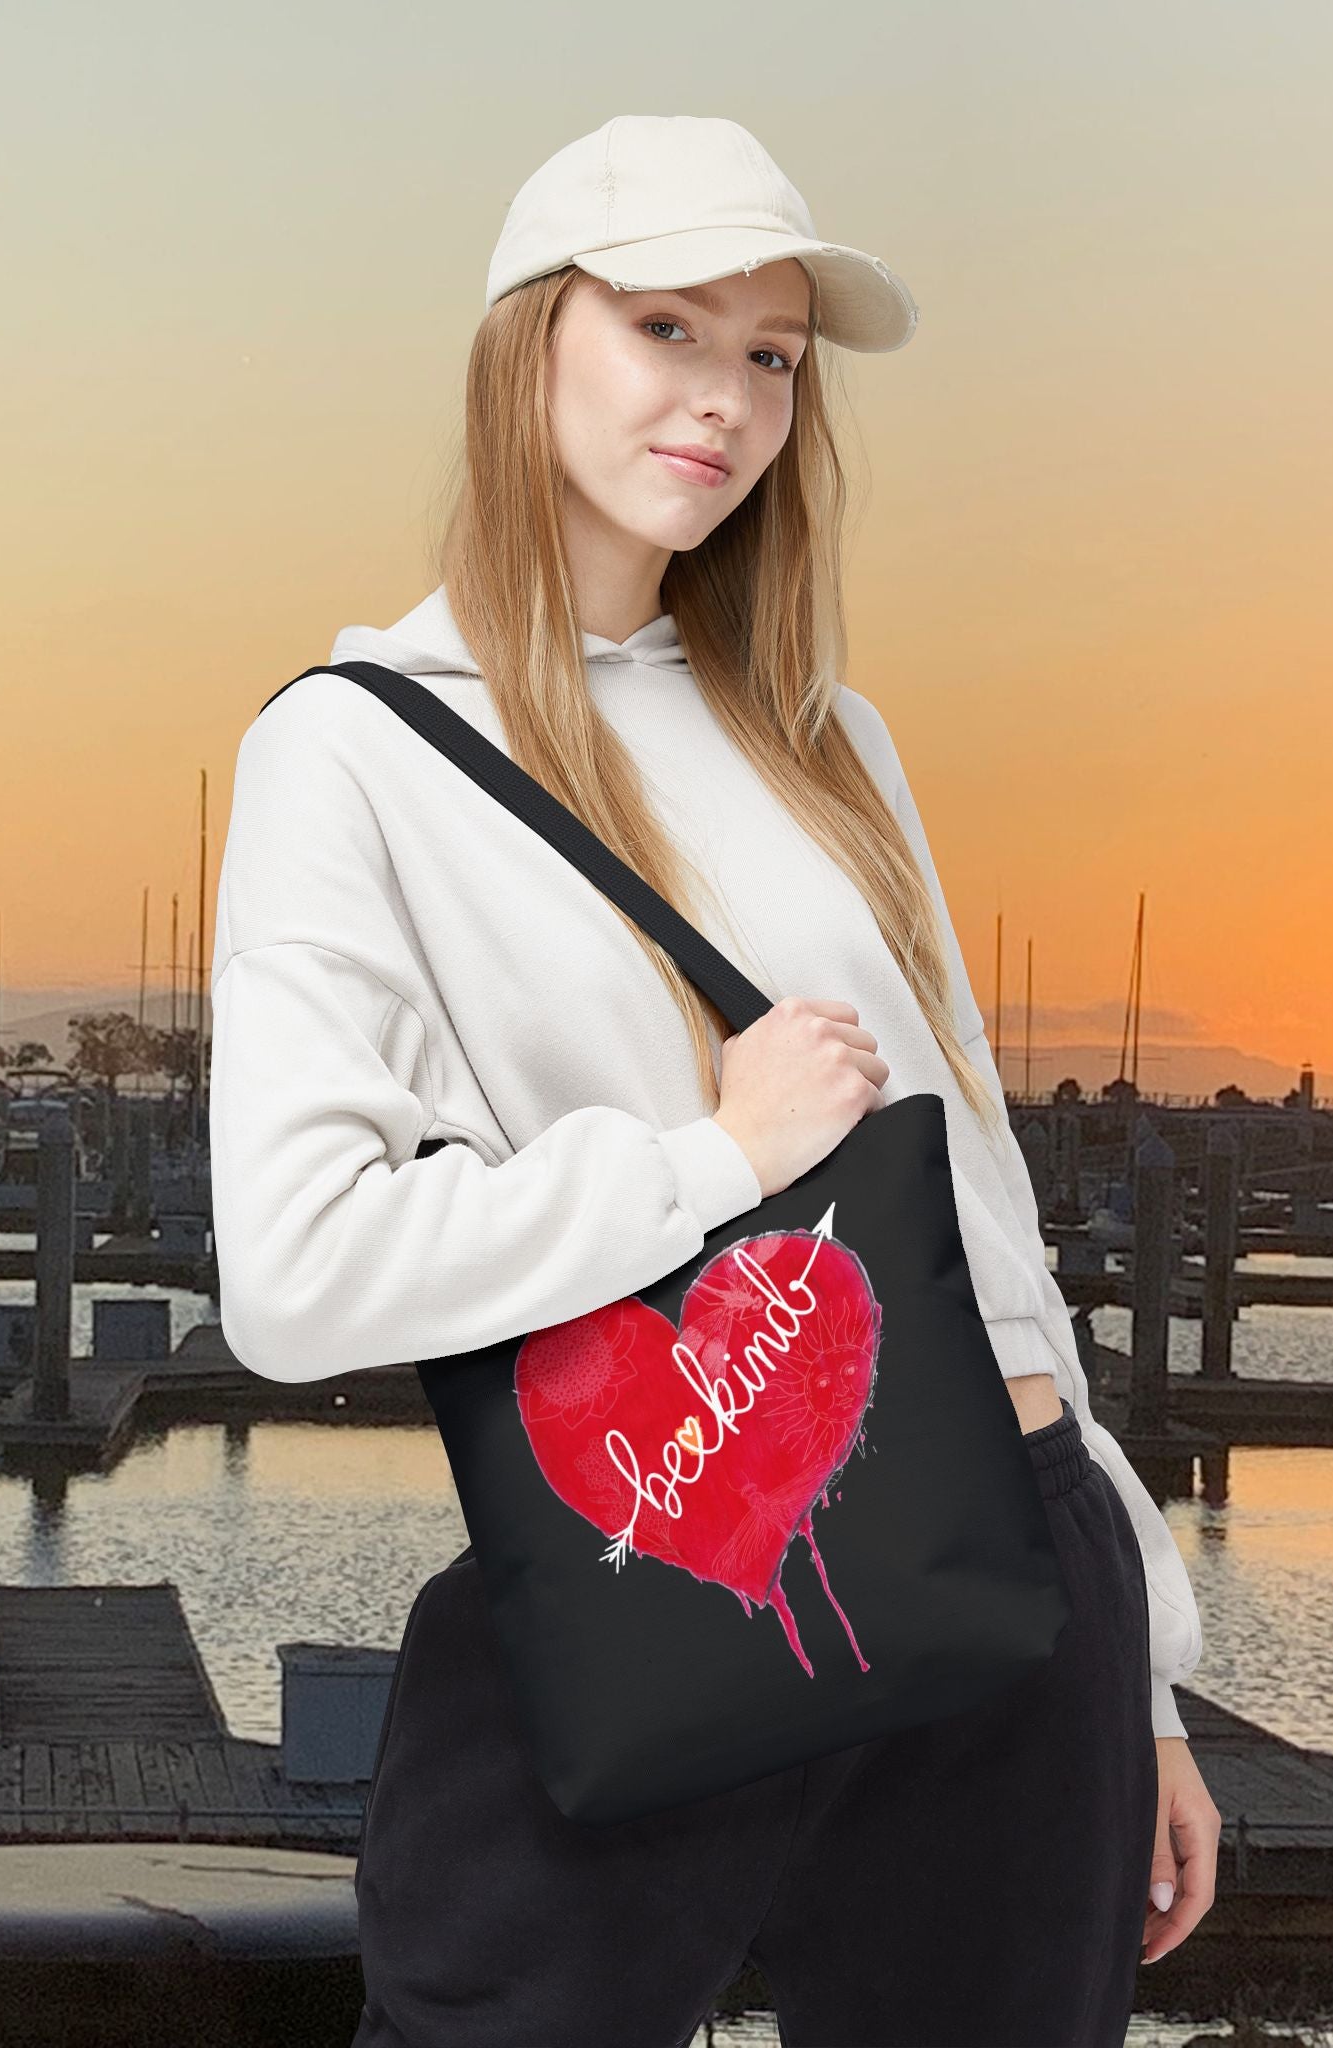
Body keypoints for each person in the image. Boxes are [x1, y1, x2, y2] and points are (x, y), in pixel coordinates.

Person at [211, 113, 1217, 2048]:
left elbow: (980, 1205)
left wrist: (1148, 1686)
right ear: (531, 340)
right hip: (649, 1576)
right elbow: (299, 1271)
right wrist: (714, 1159)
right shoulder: (359, 750)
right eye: (668, 324)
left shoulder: (832, 737)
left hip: (1018, 1571)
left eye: (770, 355)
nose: (727, 400)